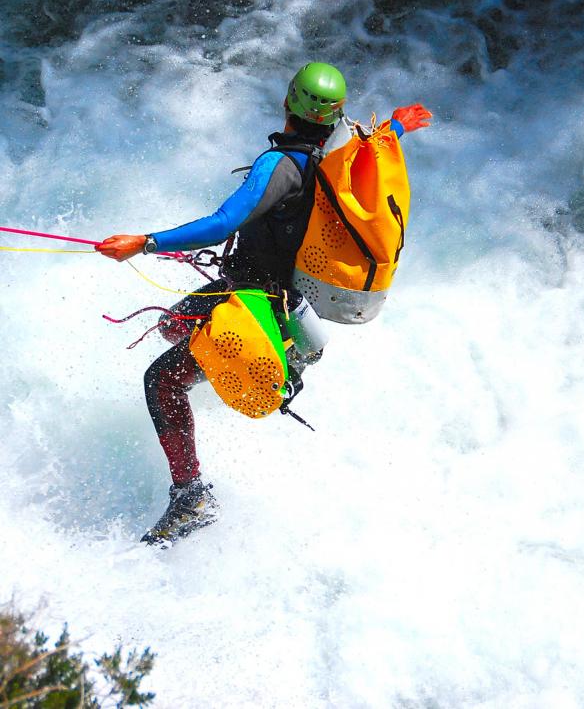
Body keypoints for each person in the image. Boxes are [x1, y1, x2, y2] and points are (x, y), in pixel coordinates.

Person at [96, 62, 431, 544]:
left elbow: (222, 223)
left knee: (161, 380)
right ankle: (208, 381)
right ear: (336, 118)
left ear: (288, 102)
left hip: (247, 300)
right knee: (173, 327)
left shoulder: (280, 165)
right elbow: (373, 145)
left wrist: (143, 242)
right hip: (282, 298)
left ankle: (191, 496)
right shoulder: (334, 164)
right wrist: (397, 124)